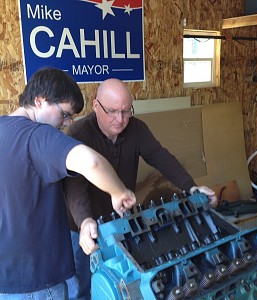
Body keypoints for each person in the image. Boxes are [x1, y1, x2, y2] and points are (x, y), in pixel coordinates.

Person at [64, 78, 218, 299]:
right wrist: (84, 220)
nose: (120, 119)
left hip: (118, 221)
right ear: (96, 106)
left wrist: (191, 188)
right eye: (113, 111)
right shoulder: (78, 134)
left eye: (126, 111)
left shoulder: (136, 129)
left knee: (122, 283)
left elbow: (161, 158)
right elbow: (74, 186)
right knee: (83, 286)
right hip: (82, 226)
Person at [0, 69, 136, 299]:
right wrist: (118, 191)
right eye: (64, 114)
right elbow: (91, 162)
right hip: (39, 282)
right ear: (40, 101)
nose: (67, 123)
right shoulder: (39, 135)